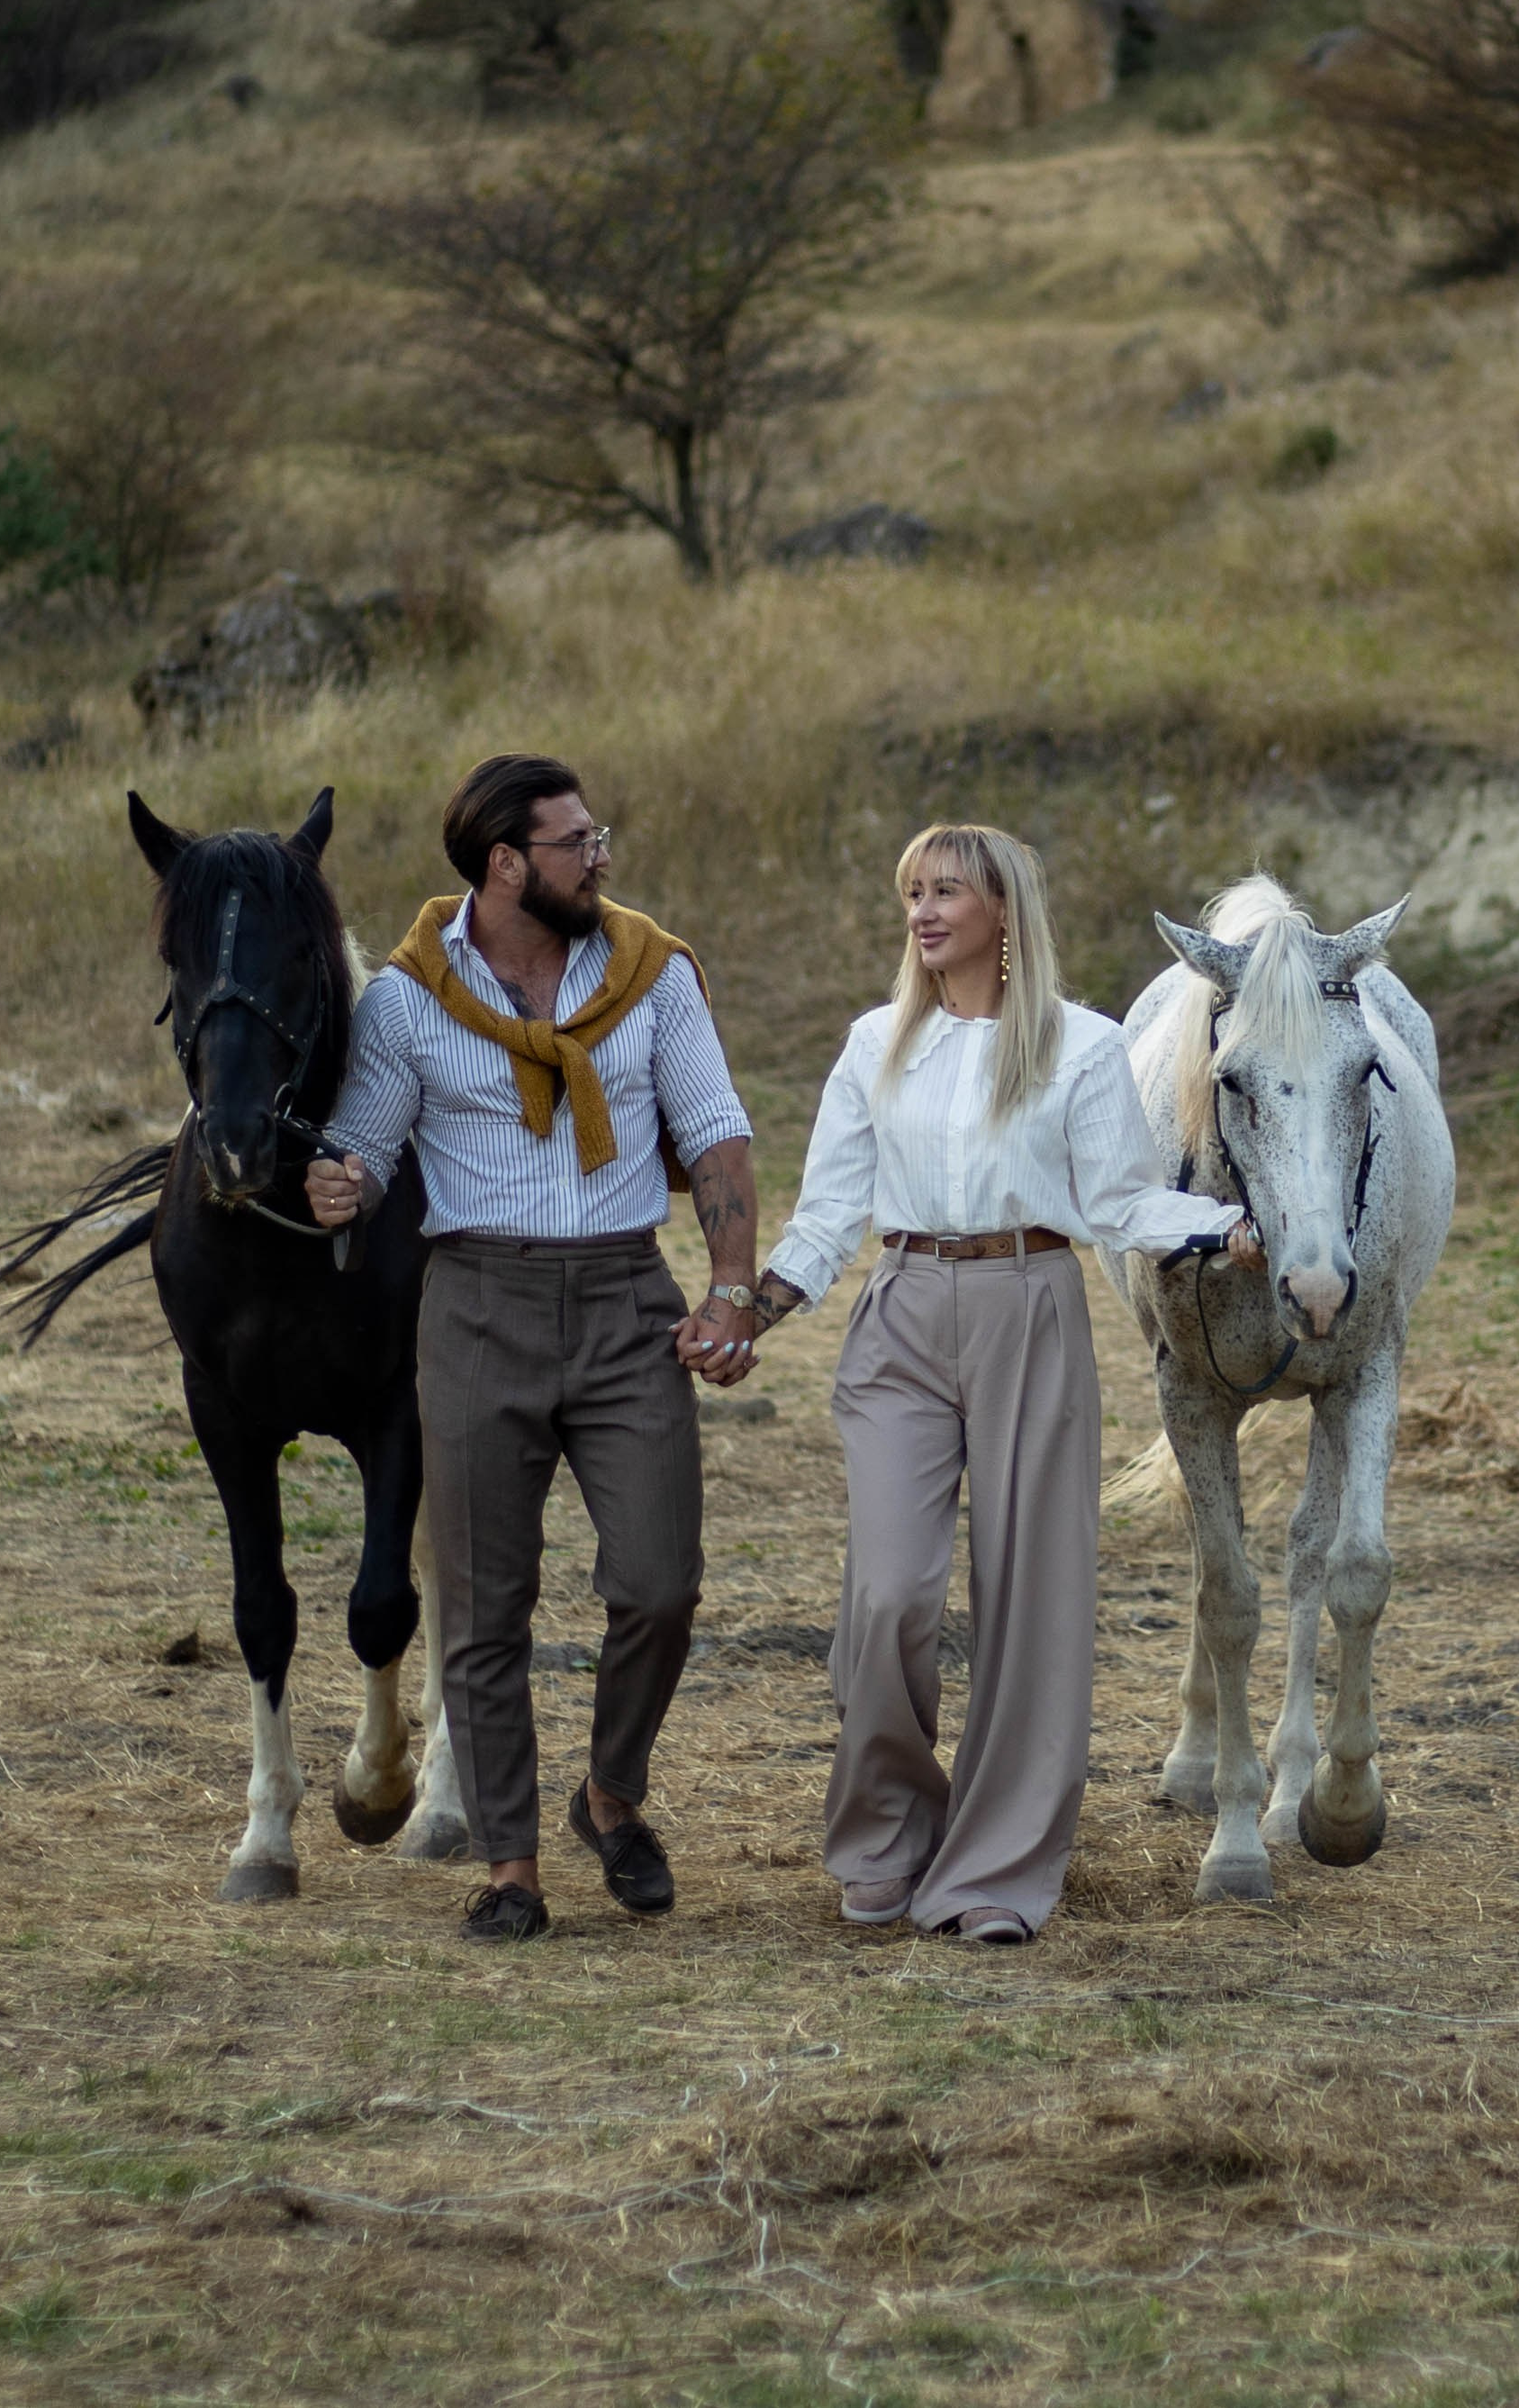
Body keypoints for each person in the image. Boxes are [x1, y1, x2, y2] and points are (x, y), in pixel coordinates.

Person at [744, 825, 1258, 1945]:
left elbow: (1120, 1199)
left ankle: (997, 1868)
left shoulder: (1081, 1045)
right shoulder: (874, 1042)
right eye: (911, 893)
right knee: (889, 1595)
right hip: (900, 1308)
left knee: (1034, 1600)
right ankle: (884, 1832)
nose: (922, 912)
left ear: (1004, 914)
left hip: (1030, 1300)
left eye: (946, 892)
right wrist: (756, 1306)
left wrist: (1226, 1230)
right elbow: (830, 1209)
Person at [304, 755, 760, 1943]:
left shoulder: (650, 970)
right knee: (481, 1604)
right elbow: (368, 1142)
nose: (597, 855)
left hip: (624, 1297)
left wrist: (728, 1286)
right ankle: (510, 1864)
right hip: (475, 1303)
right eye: (574, 841)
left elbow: (713, 1129)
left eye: (594, 834)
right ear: (505, 861)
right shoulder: (407, 997)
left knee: (659, 1581)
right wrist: (342, 1183)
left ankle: (609, 1792)